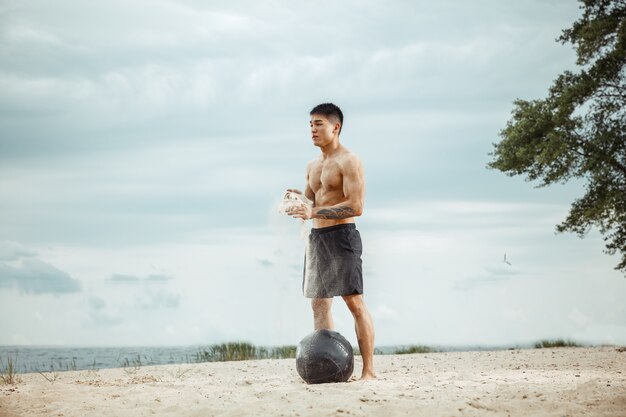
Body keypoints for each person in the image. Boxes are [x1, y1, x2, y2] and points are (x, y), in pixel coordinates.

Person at [286, 103, 376, 380]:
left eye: (319, 124)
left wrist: (312, 210)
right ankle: (323, 366)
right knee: (319, 303)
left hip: (342, 236)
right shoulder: (312, 166)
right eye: (310, 124)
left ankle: (368, 371)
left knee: (354, 302)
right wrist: (297, 199)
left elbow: (356, 206)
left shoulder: (349, 161)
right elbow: (312, 201)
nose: (312, 129)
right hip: (317, 238)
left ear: (335, 127)